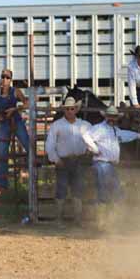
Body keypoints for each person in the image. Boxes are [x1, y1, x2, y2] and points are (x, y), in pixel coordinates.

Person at [82, 106, 140, 230]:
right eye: (110, 116)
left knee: (114, 191)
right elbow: (85, 136)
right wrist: (94, 149)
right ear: (106, 117)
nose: (112, 118)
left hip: (108, 165)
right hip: (102, 163)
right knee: (106, 190)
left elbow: (125, 135)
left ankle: (107, 221)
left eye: (114, 116)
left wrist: (139, 135)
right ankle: (103, 221)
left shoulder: (114, 130)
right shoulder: (99, 128)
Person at [45, 97, 92, 227]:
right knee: (61, 189)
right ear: (64, 110)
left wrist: (91, 149)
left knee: (78, 189)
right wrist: (56, 159)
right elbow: (50, 144)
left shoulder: (85, 125)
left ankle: (77, 220)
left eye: (72, 108)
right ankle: (59, 219)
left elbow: (94, 139)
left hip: (79, 160)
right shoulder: (57, 125)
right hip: (63, 161)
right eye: (67, 109)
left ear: (76, 109)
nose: (70, 111)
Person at [0, 69, 30, 194]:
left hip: (16, 120)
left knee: (27, 144)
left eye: (7, 77)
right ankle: (2, 184)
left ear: (11, 79)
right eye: (3, 77)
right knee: (2, 153)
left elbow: (26, 103)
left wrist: (15, 108)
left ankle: (31, 172)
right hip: (4, 122)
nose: (5, 79)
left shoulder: (15, 91)